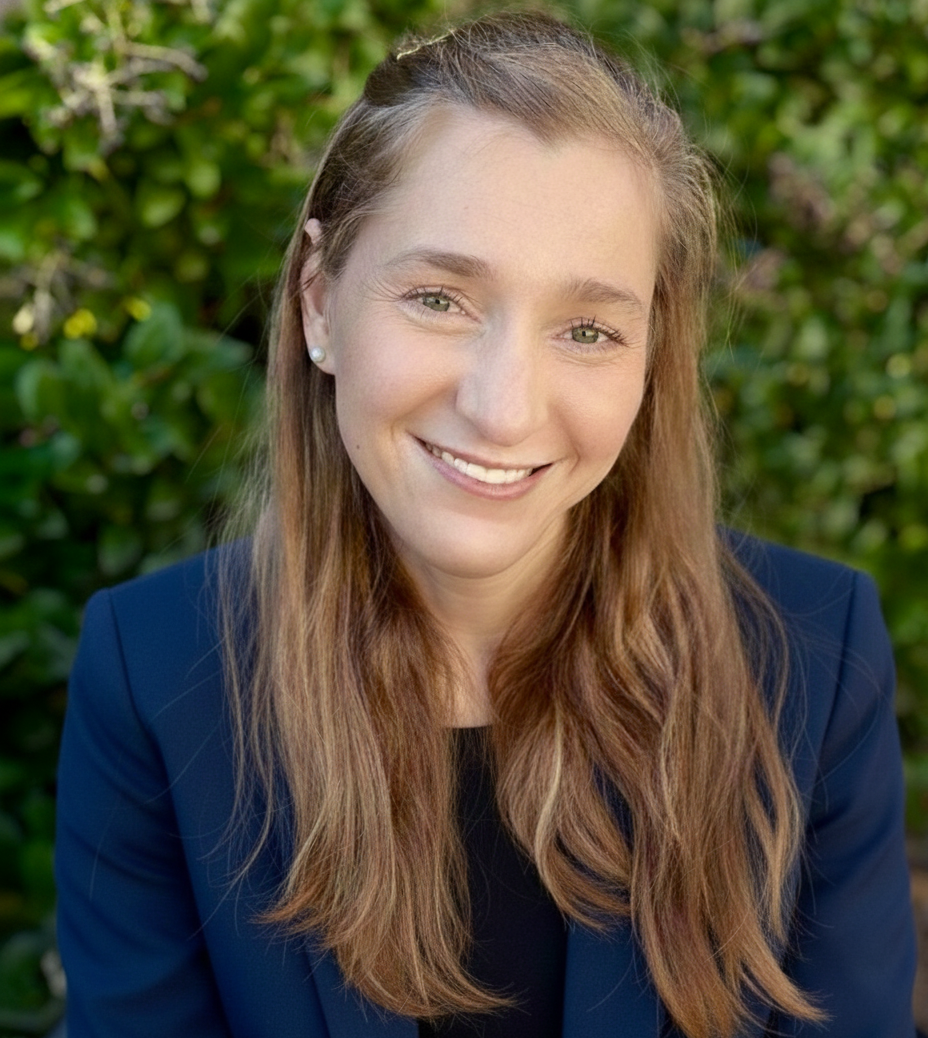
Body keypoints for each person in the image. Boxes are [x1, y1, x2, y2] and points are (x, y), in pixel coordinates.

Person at [54, 11, 917, 1038]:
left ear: (652, 357)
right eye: (440, 299)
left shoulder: (812, 658)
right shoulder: (156, 673)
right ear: (320, 300)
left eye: (588, 329)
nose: (504, 407)